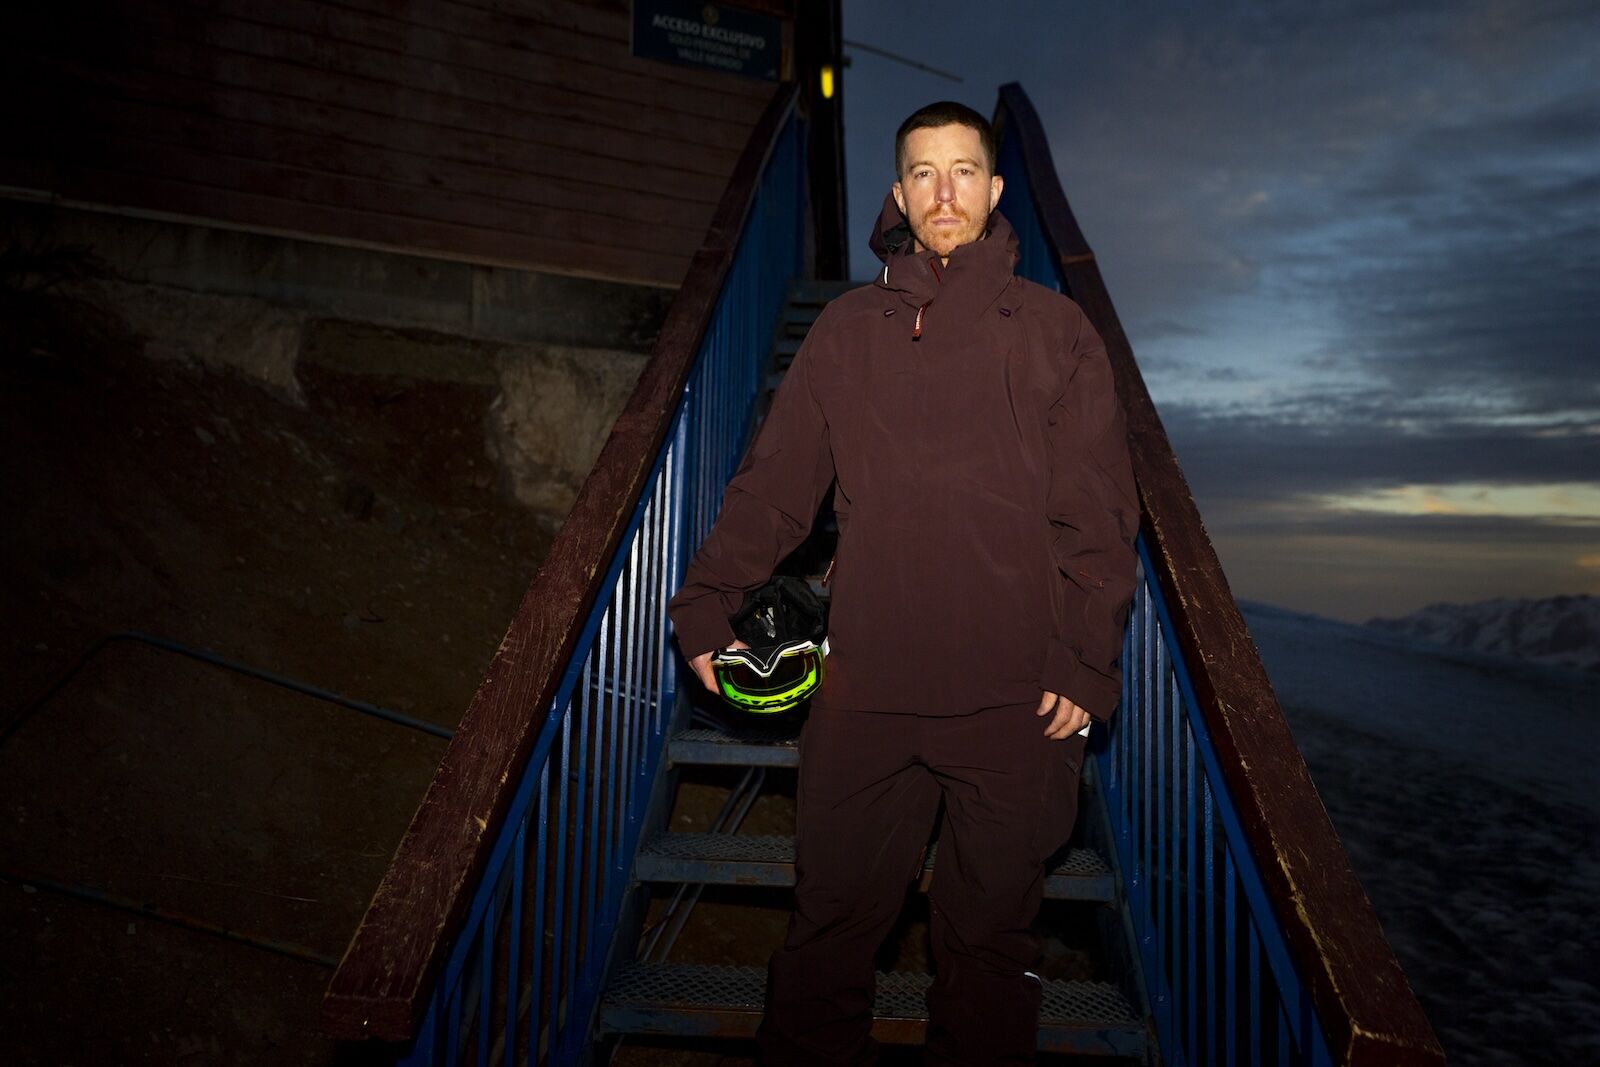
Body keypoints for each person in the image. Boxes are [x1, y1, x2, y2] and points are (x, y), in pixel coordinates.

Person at [667, 100, 1138, 1066]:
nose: (944, 192)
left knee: (987, 954)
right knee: (826, 939)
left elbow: (1097, 517)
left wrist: (1086, 660)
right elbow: (774, 490)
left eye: (964, 170)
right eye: (923, 173)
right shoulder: (847, 331)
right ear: (898, 193)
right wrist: (705, 604)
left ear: (996, 189)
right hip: (866, 698)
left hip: (1012, 707)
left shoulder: (1058, 335)